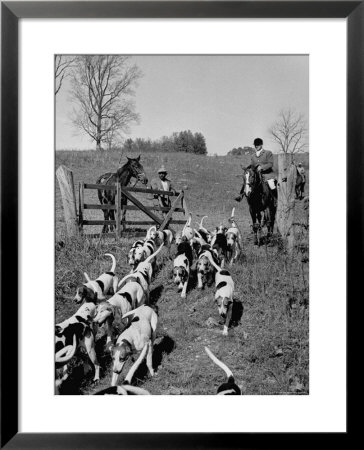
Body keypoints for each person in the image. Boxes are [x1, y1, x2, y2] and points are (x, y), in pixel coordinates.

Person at [235, 137, 277, 204]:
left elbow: (270, 164)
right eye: (255, 145)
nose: (256, 146)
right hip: (256, 175)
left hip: (267, 174)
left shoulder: (268, 153)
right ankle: (240, 195)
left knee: (271, 184)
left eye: (258, 144)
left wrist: (262, 167)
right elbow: (252, 165)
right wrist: (246, 168)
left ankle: (275, 200)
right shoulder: (253, 156)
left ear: (261, 145)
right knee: (247, 181)